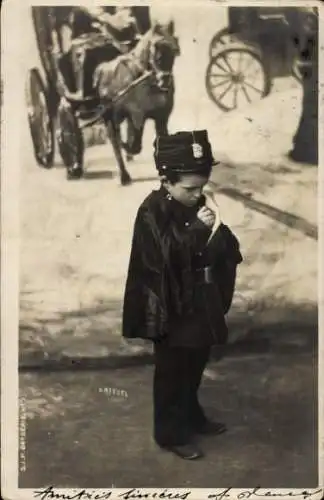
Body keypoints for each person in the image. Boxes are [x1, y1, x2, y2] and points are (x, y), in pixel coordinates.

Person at [122, 130, 243, 460]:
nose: (197, 194)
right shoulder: (152, 211)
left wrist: (218, 236)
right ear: (166, 181)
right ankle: (169, 432)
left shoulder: (196, 203)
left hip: (200, 301)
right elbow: (164, 257)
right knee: (172, 369)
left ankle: (191, 415)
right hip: (171, 306)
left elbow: (224, 244)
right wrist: (199, 230)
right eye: (189, 188)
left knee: (195, 362)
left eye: (201, 186)